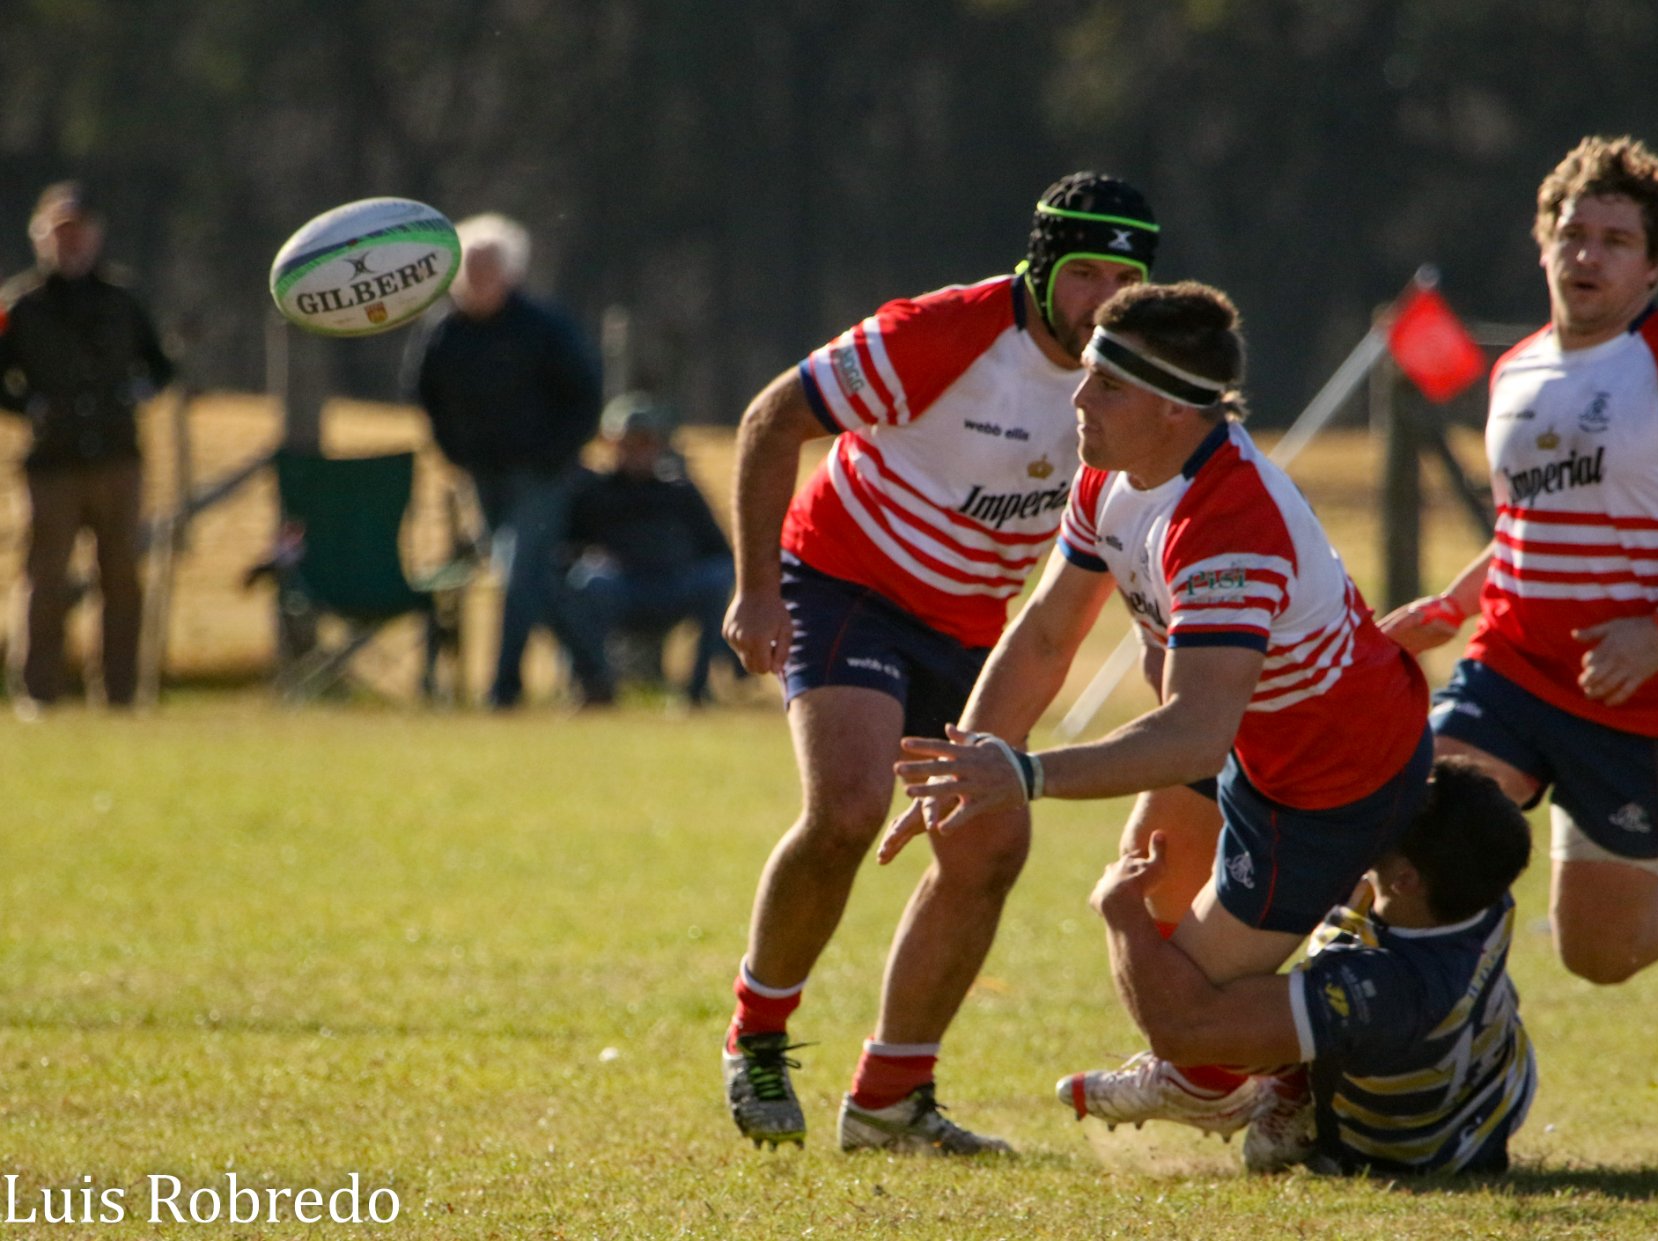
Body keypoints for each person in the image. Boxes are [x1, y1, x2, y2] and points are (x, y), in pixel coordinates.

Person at [882, 280, 1434, 1140]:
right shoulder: (1113, 476)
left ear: (1175, 407)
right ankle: (1232, 1069)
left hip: (1328, 776)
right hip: (1244, 739)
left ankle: (1314, 1059)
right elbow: (1046, 634)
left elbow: (1192, 735)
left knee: (1180, 1010)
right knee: (1148, 892)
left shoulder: (1229, 521)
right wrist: (968, 761)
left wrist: (1023, 773)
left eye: (1107, 384)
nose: (1078, 397)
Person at [719, 172, 1159, 1154]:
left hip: (970, 629)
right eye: (1083, 273)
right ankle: (757, 1036)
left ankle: (889, 1101)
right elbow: (770, 418)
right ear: (1041, 266)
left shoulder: (1133, 376)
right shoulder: (942, 332)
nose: (1102, 300)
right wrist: (755, 590)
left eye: (1123, 280)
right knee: (847, 807)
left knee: (989, 849)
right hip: (845, 584)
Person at [1379, 135, 1658, 987]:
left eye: (1616, 241)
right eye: (1573, 235)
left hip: (1638, 698)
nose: (1588, 256)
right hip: (1509, 671)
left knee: (1600, 955)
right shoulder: (1516, 371)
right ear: (1543, 246)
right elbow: (1528, 527)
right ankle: (1409, 1028)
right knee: (1410, 825)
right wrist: (1451, 605)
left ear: (1654, 269)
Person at [1087, 757, 1535, 1176]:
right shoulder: (1479, 883)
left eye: (1396, 813)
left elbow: (1181, 1029)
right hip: (1494, 1091)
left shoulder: (1388, 988)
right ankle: (1284, 1078)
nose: (1382, 803)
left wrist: (1122, 912)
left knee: (1231, 1018)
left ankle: (1255, 1094)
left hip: (1411, 1151)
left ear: (1406, 880)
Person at [412, 212, 606, 709]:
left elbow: (585, 396)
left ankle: (503, 689)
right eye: (469, 269)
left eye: (487, 269)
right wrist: (454, 452)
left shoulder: (545, 327)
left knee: (517, 574)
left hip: (543, 475)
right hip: (483, 475)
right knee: (532, 580)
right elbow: (425, 397)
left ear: (511, 274)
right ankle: (595, 675)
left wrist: (556, 453)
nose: (476, 280)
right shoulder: (444, 332)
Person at [0, 182, 175, 712]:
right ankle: (38, 693)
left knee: (121, 577)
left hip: (118, 458)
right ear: (41, 237)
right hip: (51, 462)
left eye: (78, 232)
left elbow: (160, 365)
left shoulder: (124, 299)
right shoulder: (19, 305)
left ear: (96, 237)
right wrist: (28, 406)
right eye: (60, 232)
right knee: (44, 578)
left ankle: (120, 695)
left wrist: (137, 392)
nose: (70, 243)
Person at [556, 391, 741, 706]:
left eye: (646, 441)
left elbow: (719, 550)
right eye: (628, 442)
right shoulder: (592, 493)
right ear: (612, 444)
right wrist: (590, 559)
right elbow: (564, 551)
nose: (638, 451)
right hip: (619, 588)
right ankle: (595, 685)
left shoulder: (679, 492)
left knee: (717, 578)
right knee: (589, 582)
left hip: (674, 585)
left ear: (660, 445)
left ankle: (696, 692)